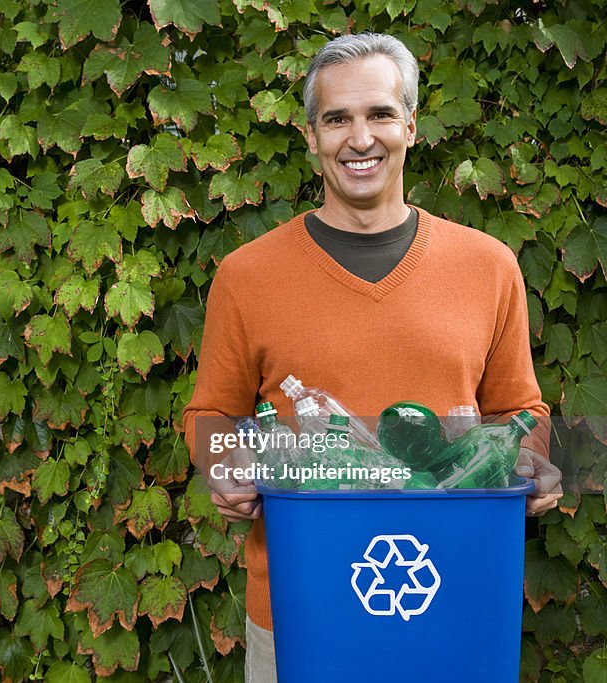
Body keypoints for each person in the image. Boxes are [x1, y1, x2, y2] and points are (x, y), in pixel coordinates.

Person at [181, 32, 563, 683]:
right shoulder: (248, 277)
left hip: (456, 598)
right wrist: (229, 464)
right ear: (311, 136)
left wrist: (533, 460)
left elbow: (521, 409)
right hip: (300, 611)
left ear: (411, 126)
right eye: (338, 118)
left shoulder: (488, 267)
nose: (361, 138)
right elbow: (211, 412)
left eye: (380, 113)